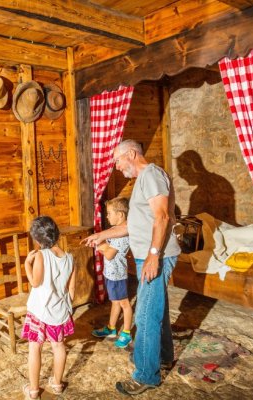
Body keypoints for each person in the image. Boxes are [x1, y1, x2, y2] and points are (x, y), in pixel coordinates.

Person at [83, 139, 181, 396]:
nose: (116, 166)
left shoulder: (151, 174)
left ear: (132, 153)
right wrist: (102, 234)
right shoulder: (144, 180)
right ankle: (162, 357)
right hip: (147, 255)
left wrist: (153, 255)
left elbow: (162, 217)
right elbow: (134, 224)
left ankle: (146, 375)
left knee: (145, 315)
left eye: (117, 160)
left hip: (154, 255)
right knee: (156, 308)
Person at [21, 216, 76, 399]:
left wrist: (26, 264)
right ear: (57, 233)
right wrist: (67, 308)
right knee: (59, 346)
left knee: (34, 347)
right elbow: (72, 289)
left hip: (40, 311)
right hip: (60, 312)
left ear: (37, 240)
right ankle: (57, 384)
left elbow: (35, 283)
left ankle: (34, 390)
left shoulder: (40, 256)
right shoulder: (70, 258)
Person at [91, 196, 133, 349]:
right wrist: (103, 245)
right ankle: (111, 328)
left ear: (120, 215)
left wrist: (100, 245)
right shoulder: (115, 232)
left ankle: (127, 333)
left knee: (124, 304)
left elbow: (109, 254)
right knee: (115, 302)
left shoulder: (122, 235)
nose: (107, 216)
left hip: (118, 276)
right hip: (111, 274)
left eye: (109, 213)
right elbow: (108, 249)